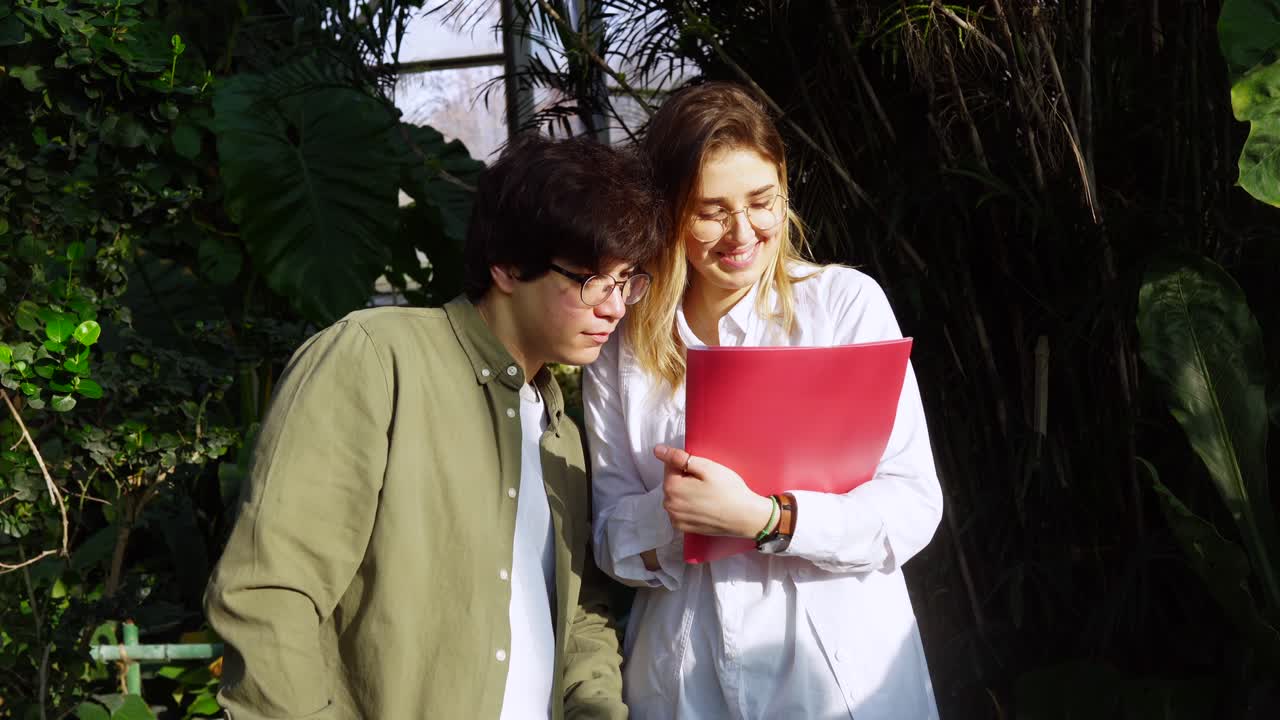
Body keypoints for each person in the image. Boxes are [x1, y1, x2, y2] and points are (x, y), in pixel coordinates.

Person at [205, 134, 667, 720]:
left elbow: (579, 616)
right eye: (592, 281)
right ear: (505, 266)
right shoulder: (375, 360)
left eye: (626, 281)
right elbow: (270, 592)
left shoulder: (560, 431)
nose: (615, 306)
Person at [583, 82, 944, 719]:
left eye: (761, 201)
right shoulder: (624, 346)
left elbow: (912, 504)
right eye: (711, 210)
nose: (742, 231)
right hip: (685, 681)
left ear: (784, 188)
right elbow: (611, 541)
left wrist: (769, 518)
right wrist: (678, 514)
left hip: (837, 679)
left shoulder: (841, 306)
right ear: (667, 211)